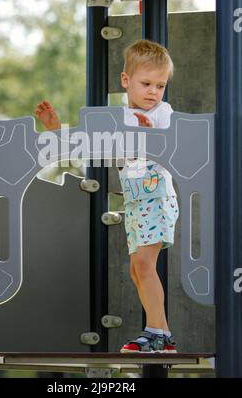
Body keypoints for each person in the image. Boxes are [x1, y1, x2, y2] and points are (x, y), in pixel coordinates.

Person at [34, 39, 179, 353]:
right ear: (126, 81)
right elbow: (86, 149)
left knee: (143, 265)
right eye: (146, 84)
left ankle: (155, 331)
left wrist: (147, 130)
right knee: (135, 269)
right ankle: (163, 335)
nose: (154, 92)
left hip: (157, 200)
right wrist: (57, 130)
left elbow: (167, 139)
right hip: (136, 204)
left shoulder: (163, 114)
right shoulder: (117, 121)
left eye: (160, 85)